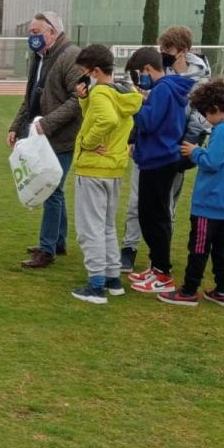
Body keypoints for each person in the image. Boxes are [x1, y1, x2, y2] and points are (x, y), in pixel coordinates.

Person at [121, 26, 212, 271]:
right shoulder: (168, 83)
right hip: (159, 152)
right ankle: (136, 251)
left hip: (166, 153)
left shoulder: (182, 83)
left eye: (168, 50)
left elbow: (153, 119)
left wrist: (135, 107)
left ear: (183, 51)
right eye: (161, 50)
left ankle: (160, 265)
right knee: (143, 207)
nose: (164, 54)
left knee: (160, 211)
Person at [158, 80, 224, 307]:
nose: (206, 119)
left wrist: (196, 151)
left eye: (206, 113)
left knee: (198, 249)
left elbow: (213, 161)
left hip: (209, 205)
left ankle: (189, 290)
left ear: (216, 108)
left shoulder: (222, 131)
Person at [8, 12, 83, 269]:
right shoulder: (40, 57)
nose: (32, 37)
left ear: (53, 32)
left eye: (36, 32)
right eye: (30, 32)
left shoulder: (70, 56)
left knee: (50, 189)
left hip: (60, 137)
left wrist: (46, 124)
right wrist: (16, 126)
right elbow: (31, 96)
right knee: (55, 189)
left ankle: (47, 249)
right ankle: (57, 242)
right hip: (43, 135)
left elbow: (78, 100)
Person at [69, 45, 143, 304]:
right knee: (106, 226)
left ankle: (96, 284)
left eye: (84, 72)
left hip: (93, 169)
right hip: (113, 169)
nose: (83, 76)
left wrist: (88, 143)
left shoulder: (101, 93)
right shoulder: (124, 92)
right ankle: (112, 279)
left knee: (89, 228)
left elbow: (106, 120)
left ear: (96, 71)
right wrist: (83, 99)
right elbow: (105, 116)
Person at [127, 48, 195, 294]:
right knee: (153, 215)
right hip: (159, 158)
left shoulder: (163, 89)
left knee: (153, 217)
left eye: (138, 74)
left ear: (147, 69)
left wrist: (135, 102)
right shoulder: (167, 89)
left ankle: (163, 272)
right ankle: (157, 266)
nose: (138, 80)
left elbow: (149, 121)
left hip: (159, 160)